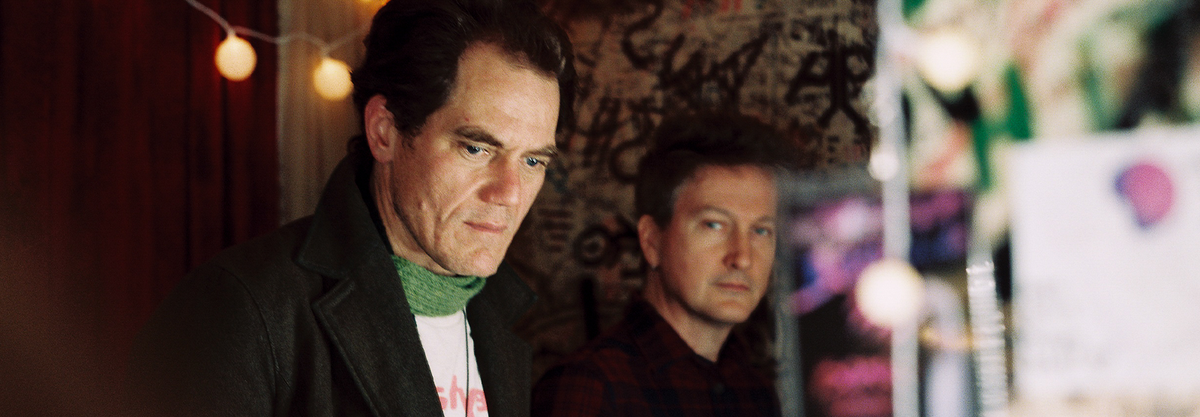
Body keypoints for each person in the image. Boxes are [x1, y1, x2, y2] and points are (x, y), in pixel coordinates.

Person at [125, 0, 575, 415]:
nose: (509, 193)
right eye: (476, 149)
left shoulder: (496, 313)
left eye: (532, 161)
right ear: (384, 132)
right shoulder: (240, 310)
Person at [531, 111, 795, 416]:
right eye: (714, 225)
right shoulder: (590, 385)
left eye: (762, 231)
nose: (743, 258)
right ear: (652, 241)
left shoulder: (758, 394)